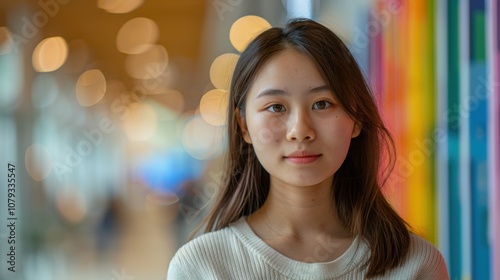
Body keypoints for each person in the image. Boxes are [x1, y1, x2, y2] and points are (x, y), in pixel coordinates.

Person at [167, 18, 449, 279]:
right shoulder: (202, 267)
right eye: (276, 107)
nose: (300, 130)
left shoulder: (416, 265)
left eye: (322, 104)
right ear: (244, 126)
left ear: (356, 119)